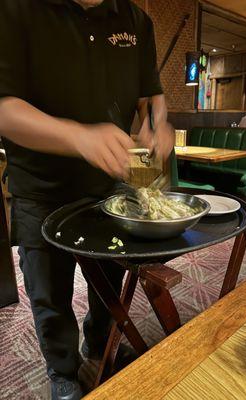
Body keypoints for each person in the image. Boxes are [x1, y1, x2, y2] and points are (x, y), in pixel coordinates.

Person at [0, 1, 174, 399]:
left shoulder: (136, 20)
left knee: (108, 281)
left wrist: (159, 124)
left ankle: (99, 344)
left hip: (109, 184)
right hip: (40, 188)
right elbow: (3, 108)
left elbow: (153, 96)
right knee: (49, 292)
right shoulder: (14, 10)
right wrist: (77, 136)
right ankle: (62, 370)